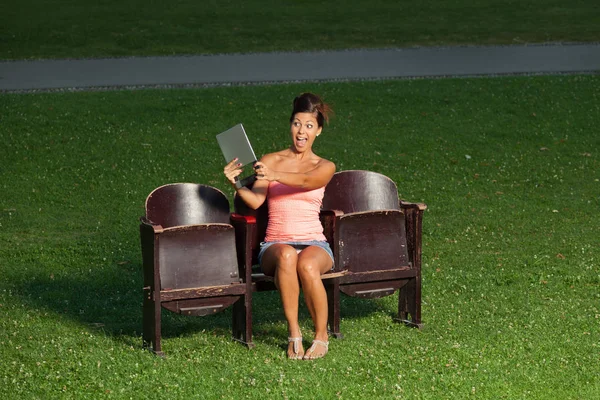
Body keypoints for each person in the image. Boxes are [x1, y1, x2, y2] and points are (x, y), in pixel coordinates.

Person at [223, 92, 335, 360]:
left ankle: (321, 335)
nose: (301, 131)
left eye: (309, 125)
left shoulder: (325, 166)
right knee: (286, 255)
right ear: (290, 125)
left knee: (307, 264)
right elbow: (256, 200)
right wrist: (236, 183)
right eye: (297, 123)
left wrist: (274, 176)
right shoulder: (271, 159)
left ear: (318, 131)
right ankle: (294, 333)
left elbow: (307, 182)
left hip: (314, 244)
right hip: (275, 244)